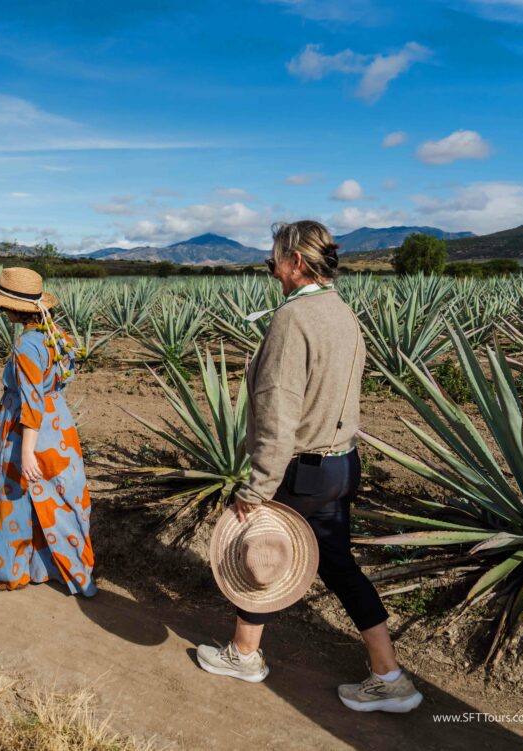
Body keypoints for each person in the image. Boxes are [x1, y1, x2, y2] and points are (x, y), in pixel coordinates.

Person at [196, 221, 423, 713]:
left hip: (300, 467)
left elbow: (280, 412)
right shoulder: (343, 313)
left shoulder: (293, 320)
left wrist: (256, 489)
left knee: (256, 553)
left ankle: (244, 656)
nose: (272, 271)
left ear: (296, 262)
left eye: (273, 261)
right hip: (341, 463)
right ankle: (390, 676)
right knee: (339, 566)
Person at [0, 267, 95, 596]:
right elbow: (60, 380)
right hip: (60, 429)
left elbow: (31, 401)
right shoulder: (57, 335)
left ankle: (12, 574)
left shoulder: (27, 346)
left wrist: (27, 450)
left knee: (11, 498)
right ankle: (74, 575)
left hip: (27, 429)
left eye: (3, 305)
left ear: (15, 309)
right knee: (61, 499)